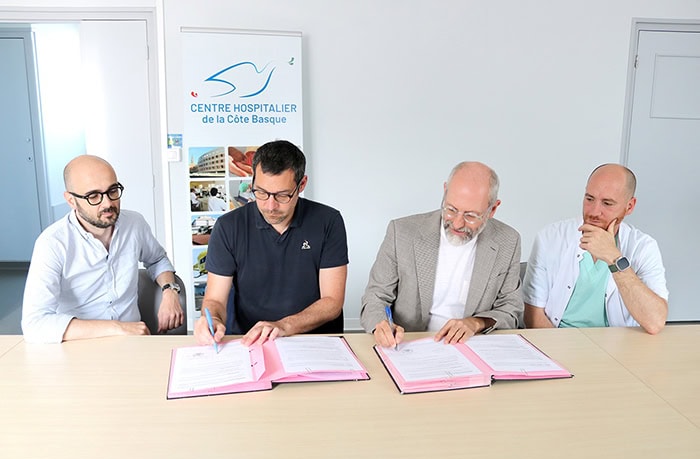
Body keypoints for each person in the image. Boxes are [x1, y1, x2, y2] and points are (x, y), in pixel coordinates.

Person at [194, 140, 349, 347]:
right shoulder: (228, 227)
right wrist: (212, 319)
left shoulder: (328, 221)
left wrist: (283, 326)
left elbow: (332, 302)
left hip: (314, 341)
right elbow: (215, 299)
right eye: (261, 192)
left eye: (282, 195)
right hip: (248, 341)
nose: (270, 206)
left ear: (302, 184)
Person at [22, 155, 185, 343]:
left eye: (113, 191)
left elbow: (157, 259)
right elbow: (34, 324)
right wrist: (118, 328)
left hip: (133, 343)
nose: (107, 203)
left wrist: (170, 291)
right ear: (71, 200)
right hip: (79, 344)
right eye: (93, 196)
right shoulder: (52, 243)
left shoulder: (135, 224)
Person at [361, 161, 523, 348]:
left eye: (471, 216)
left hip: (472, 346)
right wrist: (380, 325)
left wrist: (477, 323)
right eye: (451, 209)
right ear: (445, 191)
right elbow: (375, 296)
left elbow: (511, 309)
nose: (457, 223)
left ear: (493, 209)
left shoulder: (508, 241)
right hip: (408, 344)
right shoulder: (402, 232)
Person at [522, 163, 668, 334]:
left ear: (629, 206)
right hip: (556, 340)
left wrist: (614, 258)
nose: (594, 212)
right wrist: (561, 348)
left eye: (607, 203)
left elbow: (655, 322)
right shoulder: (550, 237)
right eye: (589, 199)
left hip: (617, 344)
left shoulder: (643, 247)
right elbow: (532, 317)